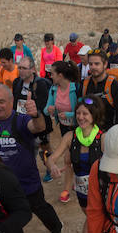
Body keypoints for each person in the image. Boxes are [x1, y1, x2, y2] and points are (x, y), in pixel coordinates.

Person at [0, 85, 62, 233]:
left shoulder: (21, 120)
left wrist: (36, 114)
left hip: (26, 181)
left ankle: (56, 228)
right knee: (6, 212)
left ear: (11, 101)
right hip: (2, 184)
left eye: (1, 101)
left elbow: (38, 127)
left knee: (40, 208)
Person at [43, 97, 104, 233]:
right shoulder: (70, 136)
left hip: (102, 195)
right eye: (78, 113)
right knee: (94, 225)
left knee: (88, 232)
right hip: (83, 195)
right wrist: (52, 166)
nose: (81, 117)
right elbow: (52, 158)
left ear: (94, 116)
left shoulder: (102, 138)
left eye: (85, 113)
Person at [11, 56, 53, 182]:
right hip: (22, 123)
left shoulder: (40, 84)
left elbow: (44, 105)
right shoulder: (16, 82)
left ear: (32, 69)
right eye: (19, 68)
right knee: (26, 150)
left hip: (39, 123)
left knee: (44, 148)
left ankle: (50, 169)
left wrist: (32, 110)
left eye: (24, 68)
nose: (21, 71)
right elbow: (15, 103)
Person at [44, 60, 80, 203]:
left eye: (52, 73)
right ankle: (69, 187)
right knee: (69, 157)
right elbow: (46, 109)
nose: (50, 76)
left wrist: (70, 115)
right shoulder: (53, 89)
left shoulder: (76, 88)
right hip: (64, 128)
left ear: (60, 75)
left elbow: (84, 110)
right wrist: (50, 109)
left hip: (79, 127)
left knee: (73, 157)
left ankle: (72, 185)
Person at [80, 49, 118, 128]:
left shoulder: (114, 86)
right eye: (90, 64)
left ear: (105, 64)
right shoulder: (84, 84)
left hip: (107, 132)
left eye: (97, 64)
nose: (93, 67)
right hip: (87, 131)